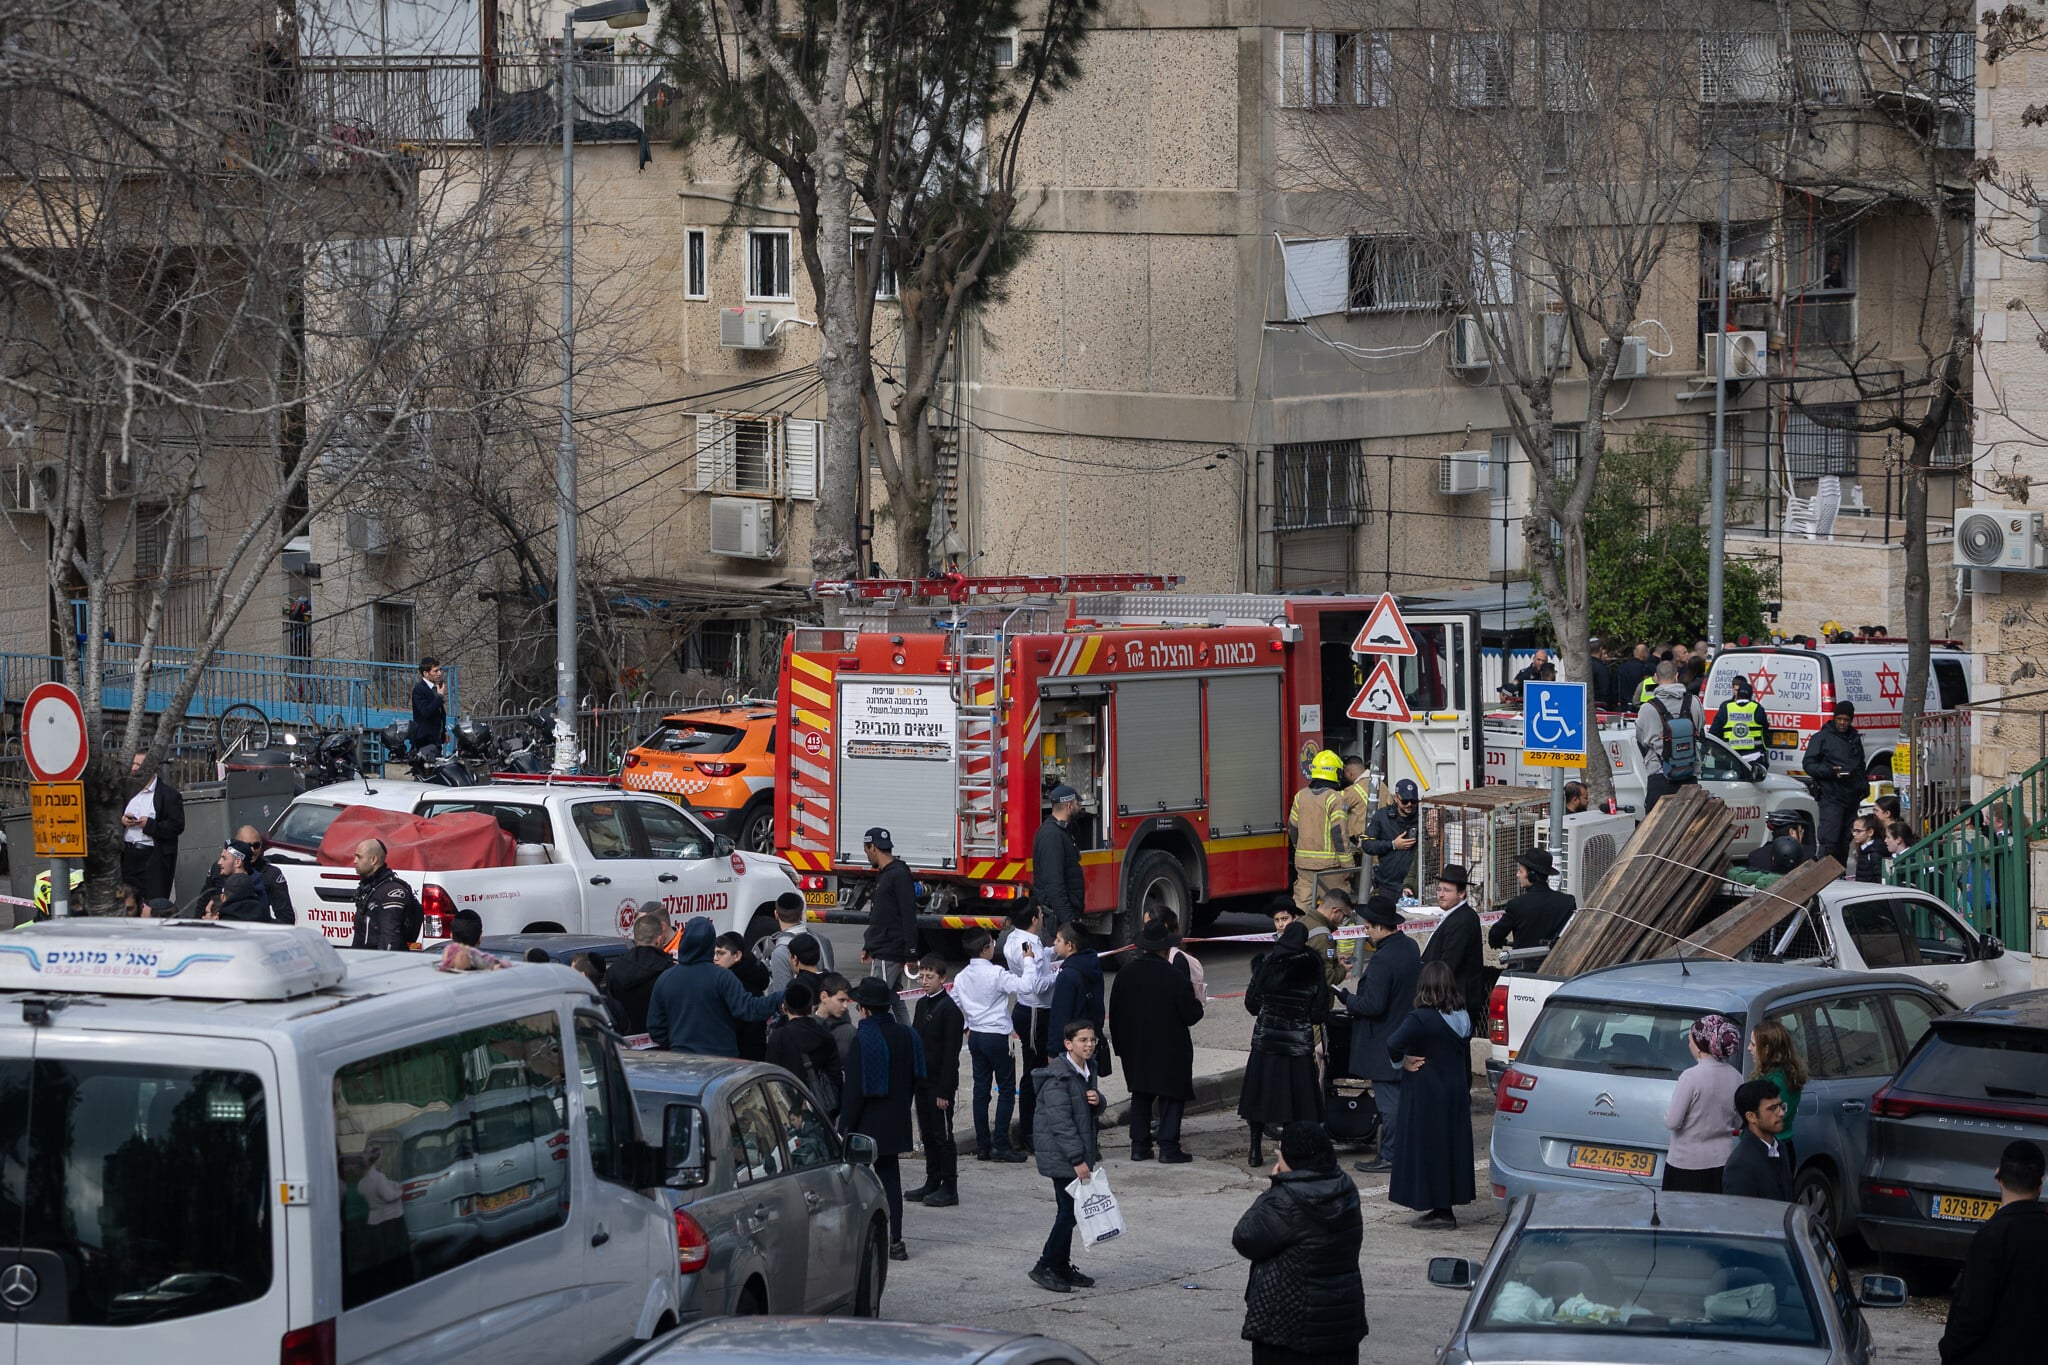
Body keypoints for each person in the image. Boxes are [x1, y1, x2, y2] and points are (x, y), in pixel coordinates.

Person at [1232, 1121, 1368, 1365]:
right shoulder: (1345, 1188)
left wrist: (1274, 1187)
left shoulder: (1286, 1200)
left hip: (1288, 1325)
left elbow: (1245, 1237)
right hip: (1339, 1323)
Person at [1939, 1139, 2048, 1365]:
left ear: (1998, 1177)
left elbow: (1973, 1312)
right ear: (2041, 1183)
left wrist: (1949, 1348)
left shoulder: (1992, 1236)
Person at [1384, 962, 1474, 1228]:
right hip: (1455, 1090)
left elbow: (1392, 1043)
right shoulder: (1463, 1016)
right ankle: (1445, 1206)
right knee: (1450, 1147)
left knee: (1428, 1148)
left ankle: (1437, 1207)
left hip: (1427, 1092)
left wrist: (1403, 1061)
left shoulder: (1421, 1017)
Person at [1109, 914, 1205, 1163]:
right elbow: (1191, 1014)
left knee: (1141, 1094)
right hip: (1170, 1049)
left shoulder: (1125, 974)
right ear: (1166, 948)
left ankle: (1139, 1146)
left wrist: (1120, 1047)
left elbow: (1115, 1014)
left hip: (1135, 1047)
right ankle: (1168, 1146)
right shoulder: (1174, 977)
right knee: (1172, 1095)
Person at [1337, 895, 1420, 1176]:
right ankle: (1403, 1151)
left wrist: (1347, 999)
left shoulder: (1384, 958)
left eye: (1369, 926)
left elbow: (1374, 1005)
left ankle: (1390, 1155)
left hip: (1384, 1042)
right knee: (1400, 1100)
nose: (1366, 931)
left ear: (1381, 926)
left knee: (1389, 1105)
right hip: (1404, 1034)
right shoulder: (1409, 947)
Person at [842, 976, 923, 1262]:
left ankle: (857, 1242)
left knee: (853, 1186)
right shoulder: (907, 1035)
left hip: (866, 1123)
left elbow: (854, 1090)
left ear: (863, 1009)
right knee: (891, 1183)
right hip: (896, 1118)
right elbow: (916, 1077)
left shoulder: (863, 1038)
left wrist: (845, 1128)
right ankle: (896, 1240)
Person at [952, 927, 1048, 1164]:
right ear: (986, 949)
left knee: (980, 1091)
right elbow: (1026, 986)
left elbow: (952, 1001)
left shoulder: (962, 976)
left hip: (976, 1036)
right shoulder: (996, 973)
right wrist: (1028, 961)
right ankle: (1001, 1145)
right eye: (992, 944)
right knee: (1006, 1090)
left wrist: (966, 1024)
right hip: (998, 1036)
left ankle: (983, 1145)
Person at [1239, 920, 1328, 1168]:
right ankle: (1289, 1155)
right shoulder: (1313, 965)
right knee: (1297, 1101)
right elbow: (1319, 1012)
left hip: (1266, 1043)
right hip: (1297, 1047)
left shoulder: (1267, 963)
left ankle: (1254, 1150)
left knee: (1259, 1098)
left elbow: (1251, 1005)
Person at [1027, 1017, 1105, 1294]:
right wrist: (1077, 1160)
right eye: (1083, 1040)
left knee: (1070, 1212)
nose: (1089, 1045)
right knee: (1067, 1213)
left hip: (1075, 1153)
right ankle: (1046, 1264)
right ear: (1068, 1044)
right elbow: (1061, 1124)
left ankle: (1059, 1265)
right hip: (1062, 1156)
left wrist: (1098, 1101)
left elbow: (1086, 1110)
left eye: (1092, 1040)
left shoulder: (1085, 1070)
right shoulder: (1058, 1078)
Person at [646, 918, 785, 1055]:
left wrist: (677, 1043)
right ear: (710, 944)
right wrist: (782, 996)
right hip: (721, 1061)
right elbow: (748, 1009)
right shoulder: (722, 977)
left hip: (682, 1060)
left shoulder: (665, 979)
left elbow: (655, 1028)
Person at [1663, 1014, 1743, 1193]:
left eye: (1690, 1040)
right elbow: (1738, 1122)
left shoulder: (1691, 1077)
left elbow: (1672, 1122)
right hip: (1722, 1162)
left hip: (1686, 1163)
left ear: (1699, 1047)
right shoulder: (1736, 1077)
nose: (1688, 1044)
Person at [906, 959, 963, 1207]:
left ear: (942, 978)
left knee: (943, 1135)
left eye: (930, 977)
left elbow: (951, 1055)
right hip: (922, 1082)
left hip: (940, 1084)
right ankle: (932, 1179)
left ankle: (950, 1186)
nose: (925, 981)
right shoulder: (921, 1004)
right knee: (927, 1134)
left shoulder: (949, 1010)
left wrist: (944, 1090)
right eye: (922, 976)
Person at [1418, 865, 1486, 1066]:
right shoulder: (1454, 915)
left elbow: (1449, 963)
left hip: (1456, 1000)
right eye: (1439, 889)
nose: (1441, 895)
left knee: (1454, 1054)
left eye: (1447, 891)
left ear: (1462, 893)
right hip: (1453, 998)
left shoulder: (1461, 920)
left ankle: (1459, 1095)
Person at [1005, 902, 1056, 1153]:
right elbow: (1036, 984)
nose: (1043, 915)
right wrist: (1058, 975)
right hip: (1035, 1011)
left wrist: (1051, 954)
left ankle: (1035, 1127)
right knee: (1034, 1070)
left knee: (1038, 1068)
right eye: (1040, 913)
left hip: (1030, 1010)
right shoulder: (1029, 944)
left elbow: (1035, 961)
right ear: (1035, 919)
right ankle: (1030, 1130)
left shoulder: (1017, 938)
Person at [767, 976, 845, 1118]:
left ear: (784, 1007)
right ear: (810, 1007)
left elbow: (772, 1079)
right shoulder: (825, 1036)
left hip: (791, 1110)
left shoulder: (778, 1037)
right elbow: (836, 1076)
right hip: (821, 1108)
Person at [861, 827, 919, 1020]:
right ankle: (908, 1038)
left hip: (890, 948)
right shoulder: (885, 874)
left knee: (875, 1000)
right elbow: (881, 916)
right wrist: (869, 945)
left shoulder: (899, 875)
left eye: (866, 851)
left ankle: (878, 1038)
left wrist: (911, 950)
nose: (867, 856)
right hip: (882, 945)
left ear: (873, 848)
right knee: (894, 998)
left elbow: (908, 914)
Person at [1803, 700, 1869, 864]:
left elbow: (1860, 764)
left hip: (1851, 797)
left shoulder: (1854, 738)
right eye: (1839, 719)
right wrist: (1831, 772)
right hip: (1831, 796)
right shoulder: (1821, 738)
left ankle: (1840, 874)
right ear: (1834, 718)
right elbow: (1808, 764)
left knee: (1845, 840)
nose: (1842, 723)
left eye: (1846, 720)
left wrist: (1863, 786)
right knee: (1829, 840)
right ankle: (1824, 877)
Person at [1636, 661, 1704, 813]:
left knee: (1655, 832)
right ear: (1676, 676)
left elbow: (1641, 739)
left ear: (1655, 677)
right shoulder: (1694, 702)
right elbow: (1699, 730)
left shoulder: (1647, 708)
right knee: (1688, 831)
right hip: (1689, 775)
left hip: (1660, 777)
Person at [1046, 921, 1109, 1079]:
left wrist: (1053, 1051)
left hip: (1073, 1045)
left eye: (1059, 940)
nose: (1054, 943)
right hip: (1089, 1038)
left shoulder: (1068, 975)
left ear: (1070, 946)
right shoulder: (1093, 966)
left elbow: (1060, 1015)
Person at [1289, 751, 1351, 912]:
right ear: (1335, 772)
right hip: (1329, 868)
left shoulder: (1300, 796)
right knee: (1337, 910)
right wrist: (1348, 866)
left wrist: (1300, 850)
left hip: (1304, 865)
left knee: (1301, 909)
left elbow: (1293, 829)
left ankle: (1299, 935)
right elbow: (1339, 834)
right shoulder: (1335, 798)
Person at [120, 750, 184, 902]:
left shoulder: (169, 796)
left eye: (139, 765)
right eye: (133, 764)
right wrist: (122, 820)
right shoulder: (125, 791)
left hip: (153, 858)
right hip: (127, 856)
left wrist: (151, 825)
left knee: (153, 905)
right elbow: (109, 816)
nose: (134, 768)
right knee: (126, 903)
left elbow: (177, 826)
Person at [1488, 848, 1577, 954]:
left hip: (1523, 967)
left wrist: (1500, 942)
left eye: (1520, 871)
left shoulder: (1517, 905)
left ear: (1531, 875)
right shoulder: (1567, 902)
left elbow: (1494, 935)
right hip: (1555, 966)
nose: (1517, 875)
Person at [1748, 1018, 1808, 1164]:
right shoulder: (1790, 1076)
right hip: (1786, 1147)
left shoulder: (1768, 1083)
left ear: (1767, 1049)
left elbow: (1757, 1122)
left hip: (1765, 1150)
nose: (1749, 1048)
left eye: (1753, 1044)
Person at [1722, 1077, 1792, 1201]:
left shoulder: (1781, 1148)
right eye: (1772, 1108)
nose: (1781, 1113)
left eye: (1781, 1106)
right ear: (1752, 1117)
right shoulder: (1741, 1165)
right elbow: (1741, 1214)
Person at [607, 911, 677, 1036]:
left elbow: (611, 1011)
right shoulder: (671, 972)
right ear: (659, 940)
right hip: (662, 1046)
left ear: (634, 938)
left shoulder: (614, 969)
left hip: (625, 1046)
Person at [1031, 785, 1087, 929]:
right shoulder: (1052, 836)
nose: (1079, 806)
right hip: (1057, 922)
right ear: (1069, 806)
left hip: (1061, 917)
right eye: (1077, 803)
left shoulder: (1062, 831)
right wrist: (1068, 922)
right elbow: (1054, 884)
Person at [1357, 778, 1420, 903]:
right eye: (1405, 801)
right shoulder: (1382, 816)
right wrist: (1392, 845)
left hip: (1415, 887)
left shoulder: (1422, 816)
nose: (1409, 805)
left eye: (1413, 801)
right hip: (1389, 886)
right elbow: (1367, 843)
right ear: (1396, 798)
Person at [713, 930, 773, 1061]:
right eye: (714, 953)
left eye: (721, 953)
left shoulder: (736, 985)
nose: (715, 958)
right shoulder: (752, 976)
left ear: (737, 956)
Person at [351, 839, 419, 951]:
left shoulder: (391, 892)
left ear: (373, 860)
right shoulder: (369, 888)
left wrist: (383, 964)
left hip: (379, 962)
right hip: (361, 960)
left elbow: (390, 936)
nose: (355, 861)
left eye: (359, 857)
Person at [762, 891, 835, 990]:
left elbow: (782, 994)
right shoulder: (822, 941)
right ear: (801, 915)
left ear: (776, 914)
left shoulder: (780, 952)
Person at [1301, 885, 1351, 988]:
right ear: (1336, 912)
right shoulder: (1323, 937)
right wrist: (1342, 968)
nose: (1343, 921)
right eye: (1345, 916)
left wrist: (1335, 959)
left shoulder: (1300, 921)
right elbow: (1327, 979)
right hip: (1313, 998)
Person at [409, 657, 448, 754]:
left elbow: (439, 713)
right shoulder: (419, 689)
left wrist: (444, 731)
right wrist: (439, 697)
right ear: (426, 673)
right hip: (424, 740)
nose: (439, 673)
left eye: (439, 670)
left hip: (436, 740)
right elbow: (426, 712)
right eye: (435, 671)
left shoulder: (435, 688)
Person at [1850, 812, 1887, 883]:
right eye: (1853, 831)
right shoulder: (1864, 850)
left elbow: (1879, 877)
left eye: (1858, 831)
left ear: (1870, 832)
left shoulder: (1875, 852)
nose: (1854, 834)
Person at [1616, 642, 1654, 707]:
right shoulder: (1645, 669)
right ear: (1645, 653)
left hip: (1622, 705)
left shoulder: (1621, 667)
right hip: (1638, 705)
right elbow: (1647, 689)